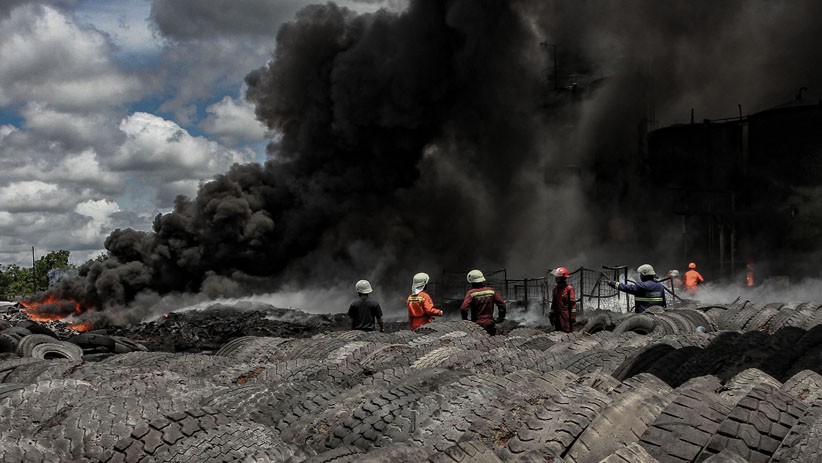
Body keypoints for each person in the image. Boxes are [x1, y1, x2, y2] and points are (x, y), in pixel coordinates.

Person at [460, 269, 506, 335]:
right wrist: (500, 318)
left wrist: (465, 320)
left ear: (471, 281)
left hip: (476, 325)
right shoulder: (491, 291)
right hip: (490, 323)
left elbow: (463, 308)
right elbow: (502, 304)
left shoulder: (471, 293)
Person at [549, 266, 576, 333]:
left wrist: (573, 316)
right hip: (557, 316)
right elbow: (553, 303)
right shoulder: (555, 289)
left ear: (562, 278)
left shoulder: (569, 289)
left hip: (566, 317)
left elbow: (573, 304)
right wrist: (551, 314)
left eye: (557, 277)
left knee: (567, 333)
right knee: (558, 333)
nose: (555, 279)